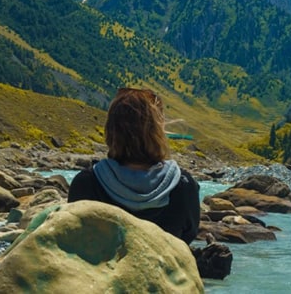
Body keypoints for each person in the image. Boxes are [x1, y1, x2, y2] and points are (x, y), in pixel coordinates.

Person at [68, 87, 200, 245]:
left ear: (111, 130)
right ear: (157, 131)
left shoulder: (86, 183)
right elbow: (188, 236)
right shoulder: (183, 186)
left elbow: (74, 240)